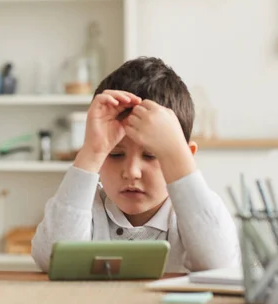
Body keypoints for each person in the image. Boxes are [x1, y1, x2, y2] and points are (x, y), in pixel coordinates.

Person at [31, 57, 239, 273]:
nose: (132, 172)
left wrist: (177, 156)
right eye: (115, 154)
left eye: (150, 155)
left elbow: (220, 265)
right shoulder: (85, 209)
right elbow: (50, 259)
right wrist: (91, 152)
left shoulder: (193, 212)